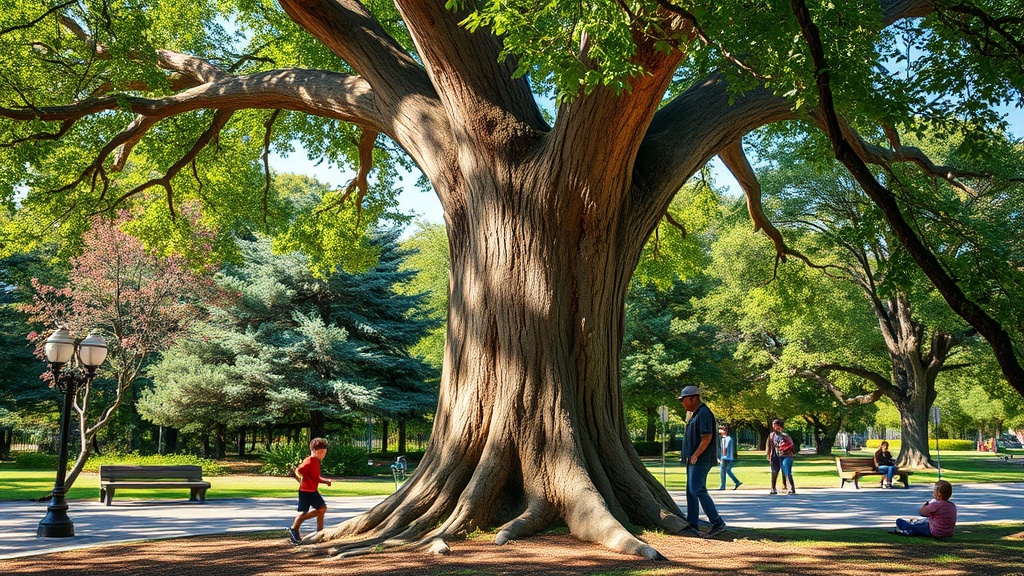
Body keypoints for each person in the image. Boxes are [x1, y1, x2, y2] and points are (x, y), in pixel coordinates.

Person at [679, 385, 726, 538]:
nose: (682, 403)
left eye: (684, 400)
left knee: (697, 489)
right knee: (691, 491)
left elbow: (707, 436)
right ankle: (692, 523)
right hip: (693, 459)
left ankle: (717, 523)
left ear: (693, 398)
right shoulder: (695, 414)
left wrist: (696, 455)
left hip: (701, 459)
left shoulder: (704, 413)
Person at [288, 437, 333, 544]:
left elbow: (315, 477)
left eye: (324, 453)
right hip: (306, 491)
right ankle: (295, 526)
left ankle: (320, 531)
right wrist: (304, 478)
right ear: (313, 451)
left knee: (322, 508)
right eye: (320, 452)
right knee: (315, 510)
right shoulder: (311, 460)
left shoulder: (316, 461)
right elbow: (300, 469)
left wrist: (322, 481)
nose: (322, 455)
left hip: (312, 490)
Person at [890, 480, 957, 538]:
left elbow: (922, 512)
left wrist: (927, 504)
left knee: (901, 522)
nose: (932, 492)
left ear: (938, 493)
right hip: (948, 532)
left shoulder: (935, 505)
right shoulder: (952, 506)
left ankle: (907, 527)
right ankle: (913, 523)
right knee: (926, 520)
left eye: (934, 490)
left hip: (935, 531)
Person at [767, 418, 796, 495]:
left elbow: (791, 444)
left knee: (787, 472)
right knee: (774, 472)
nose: (774, 426)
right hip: (775, 455)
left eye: (775, 425)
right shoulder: (772, 435)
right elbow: (769, 446)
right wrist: (769, 455)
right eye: (773, 425)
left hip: (785, 455)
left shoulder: (785, 435)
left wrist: (784, 449)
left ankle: (791, 488)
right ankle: (773, 488)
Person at [718, 425, 742, 490]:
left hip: (726, 457)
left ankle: (723, 486)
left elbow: (725, 448)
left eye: (720, 429)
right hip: (727, 457)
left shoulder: (726, 439)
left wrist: (722, 457)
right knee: (728, 471)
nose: (719, 431)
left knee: (723, 471)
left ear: (725, 431)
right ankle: (737, 482)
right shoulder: (726, 438)